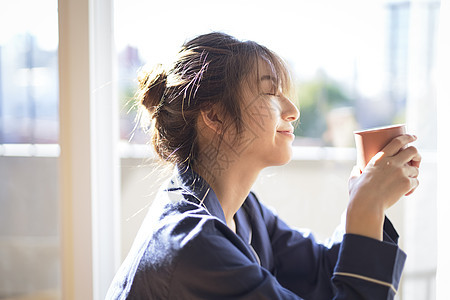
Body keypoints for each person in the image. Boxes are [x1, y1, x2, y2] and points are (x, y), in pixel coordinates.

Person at [106, 32, 421, 299]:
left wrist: (365, 198)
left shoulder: (244, 213)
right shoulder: (194, 245)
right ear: (213, 115)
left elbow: (322, 274)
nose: (293, 110)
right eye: (271, 93)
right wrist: (367, 205)